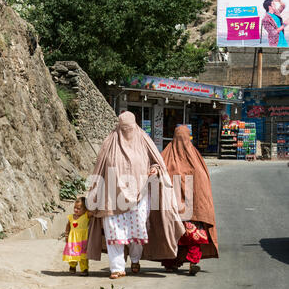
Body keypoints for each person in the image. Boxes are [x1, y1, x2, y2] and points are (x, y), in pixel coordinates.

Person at [86, 111, 184, 279]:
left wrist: (154, 168)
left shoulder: (144, 139)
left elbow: (157, 161)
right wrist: (94, 194)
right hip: (112, 197)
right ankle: (117, 268)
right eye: (124, 128)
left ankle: (135, 259)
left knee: (137, 229)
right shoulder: (109, 142)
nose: (127, 131)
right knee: (113, 231)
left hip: (140, 195)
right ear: (118, 126)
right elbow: (100, 167)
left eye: (129, 128)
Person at [161, 125, 219, 276]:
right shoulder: (195, 157)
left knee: (171, 236)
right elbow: (202, 182)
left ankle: (171, 263)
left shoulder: (166, 155)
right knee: (193, 236)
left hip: (172, 209)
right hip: (191, 209)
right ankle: (193, 261)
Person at [63, 197, 91, 276]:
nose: (75, 210)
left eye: (78, 208)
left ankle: (84, 269)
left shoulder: (86, 215)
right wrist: (66, 235)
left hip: (83, 239)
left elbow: (92, 212)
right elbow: (68, 226)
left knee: (83, 255)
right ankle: (72, 266)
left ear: (85, 209)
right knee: (72, 253)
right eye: (74, 207)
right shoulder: (71, 217)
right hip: (73, 240)